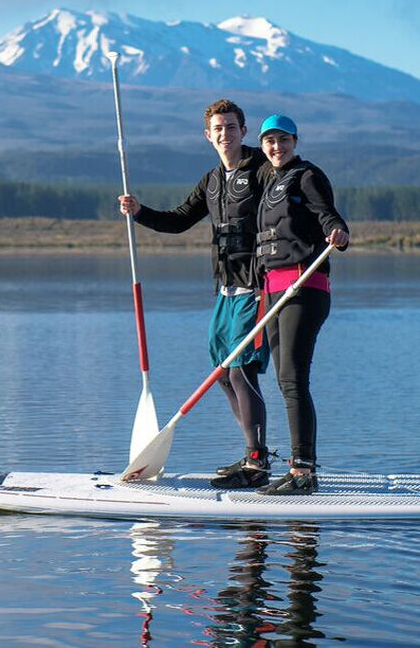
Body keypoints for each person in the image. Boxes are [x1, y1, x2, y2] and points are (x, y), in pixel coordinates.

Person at [117, 99, 275, 490]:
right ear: (208, 135)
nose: (225, 134)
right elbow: (178, 221)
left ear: (244, 130)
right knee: (222, 371)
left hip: (258, 288)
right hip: (225, 289)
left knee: (243, 367)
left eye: (232, 127)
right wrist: (139, 212)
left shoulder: (263, 170)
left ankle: (257, 464)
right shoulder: (211, 181)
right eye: (218, 128)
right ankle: (253, 453)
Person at [248, 113, 349, 494]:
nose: (277, 147)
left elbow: (328, 215)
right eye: (270, 141)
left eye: (284, 140)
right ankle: (289, 467)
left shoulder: (307, 175)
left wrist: (337, 233)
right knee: (283, 380)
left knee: (292, 380)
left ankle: (303, 472)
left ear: (295, 140)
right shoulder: (268, 179)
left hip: (303, 289)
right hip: (273, 292)